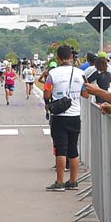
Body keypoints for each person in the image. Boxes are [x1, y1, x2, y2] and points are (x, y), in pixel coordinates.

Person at [43, 45, 86, 192]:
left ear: (58, 58)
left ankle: (59, 182)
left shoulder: (52, 74)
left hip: (60, 116)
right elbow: (85, 94)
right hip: (75, 115)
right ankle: (73, 181)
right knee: (73, 149)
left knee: (61, 149)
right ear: (72, 57)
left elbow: (47, 94)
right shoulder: (80, 73)